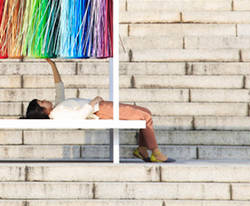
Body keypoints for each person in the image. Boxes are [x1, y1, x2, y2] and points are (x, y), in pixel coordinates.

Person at [25, 58, 174, 163]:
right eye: (42, 102)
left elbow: (59, 86)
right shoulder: (57, 114)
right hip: (100, 110)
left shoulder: (57, 107)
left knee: (143, 114)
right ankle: (155, 152)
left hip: (101, 107)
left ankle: (142, 149)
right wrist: (92, 103)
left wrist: (52, 65)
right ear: (42, 111)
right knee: (145, 115)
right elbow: (78, 116)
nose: (45, 100)